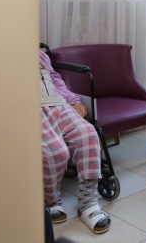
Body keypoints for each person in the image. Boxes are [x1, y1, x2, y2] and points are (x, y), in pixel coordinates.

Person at [39, 50, 111, 234]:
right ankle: (50, 202)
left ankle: (88, 202)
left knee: (88, 134)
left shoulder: (39, 54)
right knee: (54, 151)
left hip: (59, 104)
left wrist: (73, 100)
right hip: (32, 107)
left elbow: (55, 80)